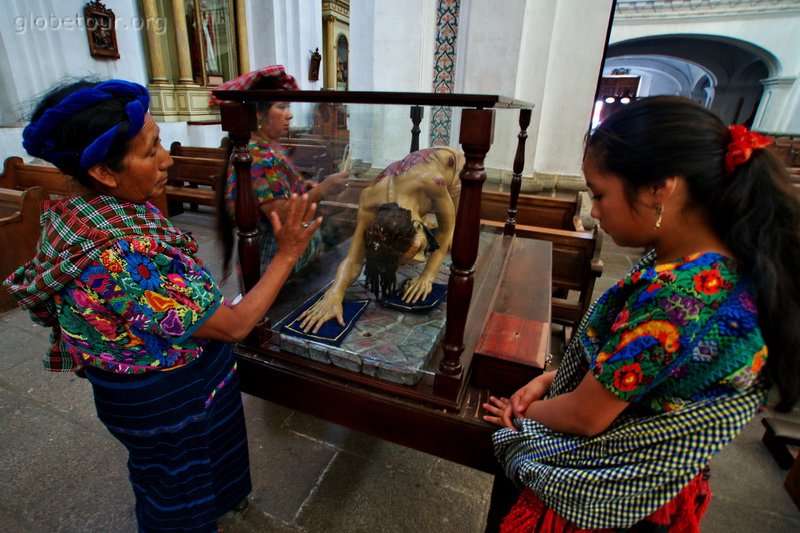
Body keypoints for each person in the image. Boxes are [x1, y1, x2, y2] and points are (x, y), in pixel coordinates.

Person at [3, 79, 322, 533]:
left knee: (207, 458)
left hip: (164, 381)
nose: (167, 158)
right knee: (177, 491)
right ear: (105, 173)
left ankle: (222, 502)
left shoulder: (85, 211)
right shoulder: (119, 254)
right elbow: (233, 327)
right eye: (151, 150)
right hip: (164, 397)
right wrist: (288, 253)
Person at [482, 96, 800, 532]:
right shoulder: (722, 265)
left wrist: (522, 416)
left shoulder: (678, 297)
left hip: (609, 492)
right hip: (665, 486)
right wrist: (553, 379)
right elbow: (629, 368)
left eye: (599, 193)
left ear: (659, 188)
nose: (593, 211)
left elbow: (586, 416)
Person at [298, 146, 464, 333]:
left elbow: (446, 230)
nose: (421, 259)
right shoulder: (369, 199)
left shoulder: (434, 181)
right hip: (411, 182)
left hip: (451, 165)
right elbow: (354, 260)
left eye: (419, 250)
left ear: (419, 224)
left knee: (457, 232)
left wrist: (427, 276)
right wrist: (335, 292)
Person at [216, 65, 349, 283]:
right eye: (282, 106)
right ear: (258, 113)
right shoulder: (260, 157)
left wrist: (304, 188)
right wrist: (323, 190)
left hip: (288, 258)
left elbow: (278, 194)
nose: (290, 115)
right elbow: (282, 215)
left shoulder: (268, 149)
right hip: (273, 262)